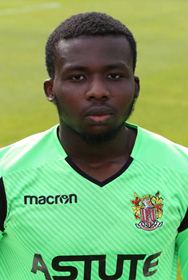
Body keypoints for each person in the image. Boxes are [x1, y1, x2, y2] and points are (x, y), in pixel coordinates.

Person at [0, 12, 187, 280]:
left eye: (113, 75)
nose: (97, 90)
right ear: (51, 89)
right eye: (77, 77)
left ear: (134, 86)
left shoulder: (181, 171)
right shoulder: (7, 175)